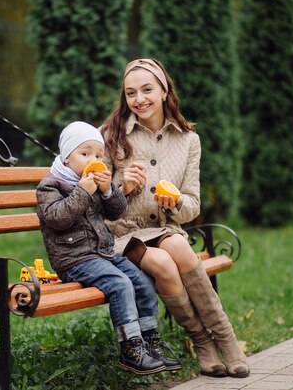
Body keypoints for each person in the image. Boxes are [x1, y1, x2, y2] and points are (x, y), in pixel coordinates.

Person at [100, 58, 250, 378]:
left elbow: (193, 205)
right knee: (167, 263)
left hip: (165, 227)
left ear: (165, 90)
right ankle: (203, 342)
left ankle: (226, 339)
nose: (139, 99)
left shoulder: (188, 140)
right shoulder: (110, 136)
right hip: (120, 232)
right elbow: (95, 199)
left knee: (180, 250)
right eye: (130, 93)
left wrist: (176, 202)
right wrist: (121, 188)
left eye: (147, 90)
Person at [36, 121, 180, 375]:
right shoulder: (51, 186)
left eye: (98, 155)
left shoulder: (93, 183)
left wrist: (106, 191)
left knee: (143, 281)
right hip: (74, 261)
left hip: (103, 253)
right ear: (67, 158)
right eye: (85, 154)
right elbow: (57, 218)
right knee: (120, 284)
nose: (94, 160)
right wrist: (83, 191)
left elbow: (117, 212)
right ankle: (131, 349)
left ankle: (150, 342)